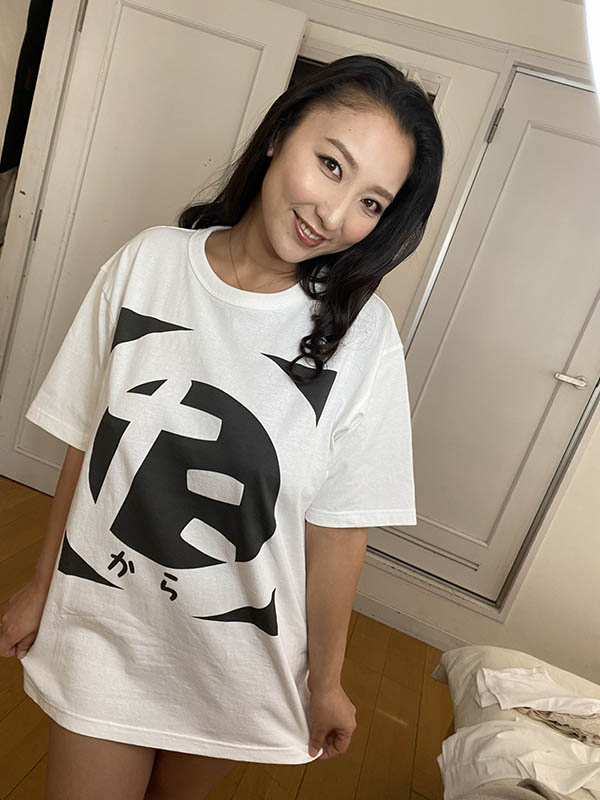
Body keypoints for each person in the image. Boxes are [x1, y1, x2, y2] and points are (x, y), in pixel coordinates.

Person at [0, 54, 443, 799]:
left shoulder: (364, 337)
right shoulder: (148, 263)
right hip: (104, 625)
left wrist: (326, 681)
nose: (334, 215)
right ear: (278, 134)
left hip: (237, 660)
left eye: (371, 202)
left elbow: (339, 531)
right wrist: (42, 585)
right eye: (330, 165)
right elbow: (88, 441)